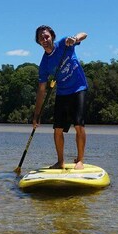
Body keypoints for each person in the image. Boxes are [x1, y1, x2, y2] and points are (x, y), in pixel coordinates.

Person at [33, 25, 88, 170]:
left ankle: (80, 160)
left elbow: (84, 33)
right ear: (38, 42)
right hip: (62, 92)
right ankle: (60, 161)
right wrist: (37, 115)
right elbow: (41, 90)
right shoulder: (44, 64)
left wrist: (75, 39)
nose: (44, 40)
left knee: (78, 125)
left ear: (52, 36)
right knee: (57, 129)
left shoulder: (65, 43)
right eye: (41, 38)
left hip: (78, 88)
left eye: (46, 36)